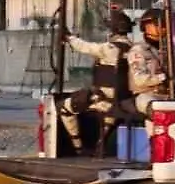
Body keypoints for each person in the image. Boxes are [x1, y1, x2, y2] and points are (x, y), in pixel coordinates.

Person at [57, 11, 135, 154]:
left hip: (104, 102)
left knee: (63, 107)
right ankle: (100, 145)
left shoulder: (108, 49)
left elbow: (85, 47)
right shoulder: (134, 49)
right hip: (123, 102)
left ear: (114, 30)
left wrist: (69, 38)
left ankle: (78, 147)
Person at [128, 7, 173, 114]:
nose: (163, 28)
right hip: (146, 95)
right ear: (146, 26)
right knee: (156, 109)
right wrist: (163, 77)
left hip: (169, 94)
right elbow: (140, 80)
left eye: (165, 24)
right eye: (159, 24)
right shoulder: (139, 50)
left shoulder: (168, 50)